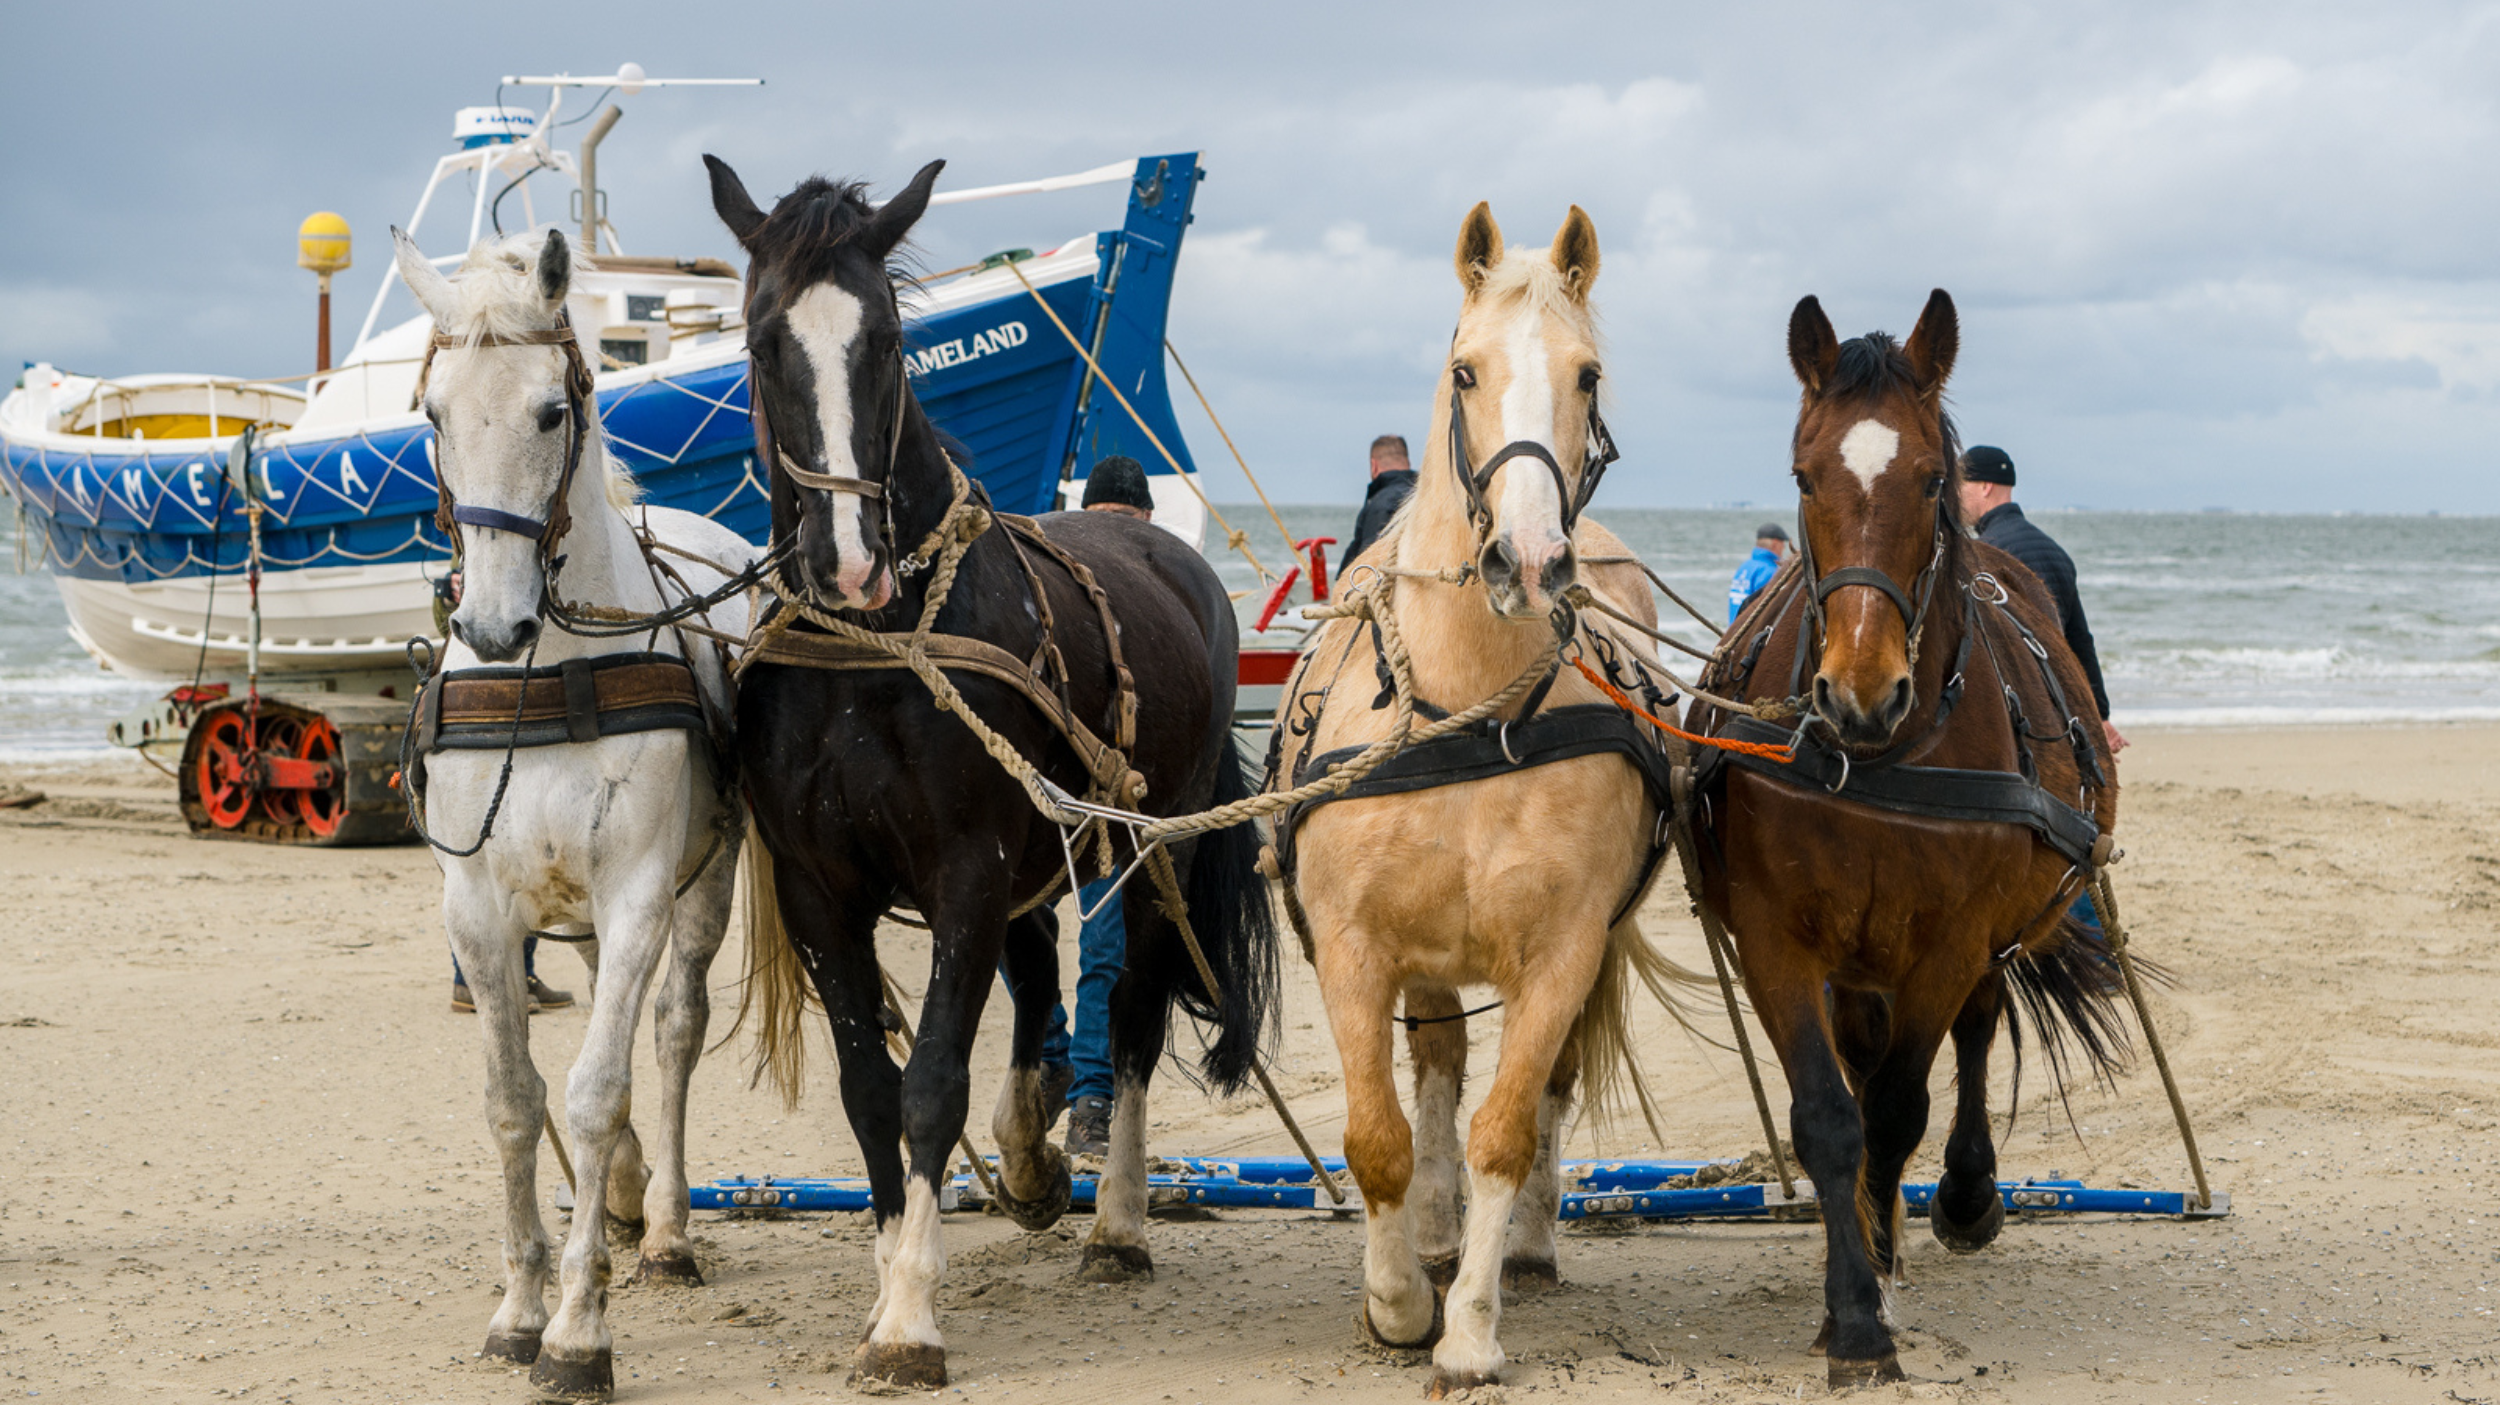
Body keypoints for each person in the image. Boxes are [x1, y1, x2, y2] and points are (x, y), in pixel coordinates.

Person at [1004, 454, 1154, 1154]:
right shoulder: (1057, 574)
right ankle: (1064, 1059)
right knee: (1018, 923)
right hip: (1055, 783)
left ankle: (1089, 1088)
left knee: (1103, 941)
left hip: (1107, 792)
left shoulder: (1144, 580)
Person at [432, 567, 574, 1013]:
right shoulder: (470, 567)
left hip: (511, 704)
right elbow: (449, 631)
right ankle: (470, 983)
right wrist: (448, 595)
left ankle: (522, 975)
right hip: (483, 715)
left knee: (515, 869)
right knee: (481, 870)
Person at [1958, 445, 2127, 755]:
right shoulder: (2054, 550)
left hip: (2021, 716)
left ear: (1985, 486)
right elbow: (2079, 642)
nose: (1953, 497)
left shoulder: (1986, 555)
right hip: (2058, 707)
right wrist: (2098, 715)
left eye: (1958, 485)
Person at [1338, 434, 1416, 572]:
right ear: (1407, 463)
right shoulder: (1425, 497)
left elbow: (1368, 566)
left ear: (1374, 465)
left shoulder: (1379, 506)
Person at [1727, 522, 1790, 623]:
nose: (1784, 547)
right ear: (1775, 544)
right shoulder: (1770, 571)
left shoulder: (1744, 567)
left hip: (1734, 630)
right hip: (1750, 635)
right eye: (1783, 544)